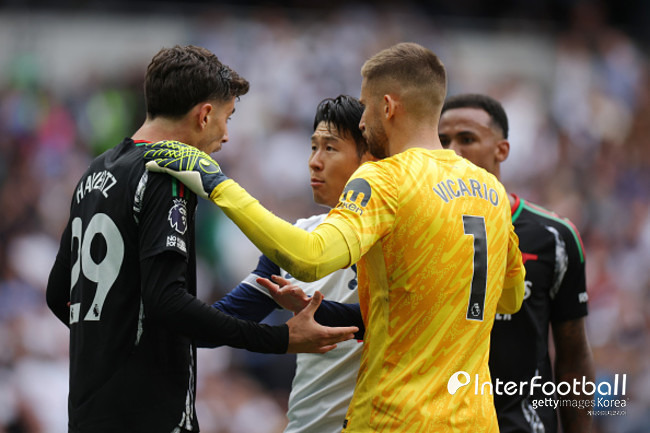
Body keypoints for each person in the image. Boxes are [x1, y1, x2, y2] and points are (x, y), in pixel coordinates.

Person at [143, 42, 526, 432]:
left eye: (367, 107)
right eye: (314, 147)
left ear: (389, 107)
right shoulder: (491, 191)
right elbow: (509, 296)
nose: (363, 121)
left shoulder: (385, 180)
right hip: (473, 420)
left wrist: (216, 184)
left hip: (395, 417)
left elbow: (310, 258)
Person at [45, 45, 357, 433]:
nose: (226, 135)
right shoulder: (169, 175)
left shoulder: (94, 172)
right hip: (150, 415)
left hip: (87, 411)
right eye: (227, 118)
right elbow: (168, 303)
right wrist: (280, 338)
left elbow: (59, 294)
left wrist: (112, 339)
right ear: (205, 115)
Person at [212, 94, 371, 433]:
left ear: (368, 159)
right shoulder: (297, 237)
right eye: (313, 147)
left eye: (330, 148)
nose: (314, 161)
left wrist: (315, 312)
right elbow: (222, 321)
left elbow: (394, 320)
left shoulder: (399, 243)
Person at [439, 93, 595, 433]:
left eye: (467, 139)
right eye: (442, 141)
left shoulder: (554, 236)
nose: (451, 152)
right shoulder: (418, 232)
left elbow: (573, 357)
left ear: (502, 150)